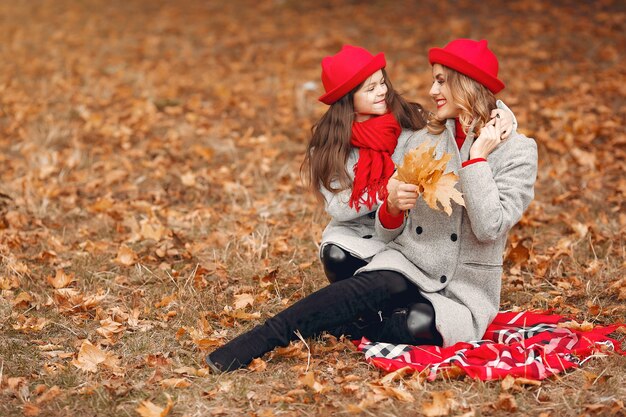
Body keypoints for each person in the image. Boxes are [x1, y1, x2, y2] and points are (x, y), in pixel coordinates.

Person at [205, 39, 535, 373]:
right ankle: (261, 339)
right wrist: (391, 207)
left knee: (416, 325)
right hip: (411, 262)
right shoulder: (427, 137)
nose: (431, 89)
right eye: (433, 79)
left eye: (441, 80)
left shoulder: (517, 152)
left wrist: (477, 158)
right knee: (374, 285)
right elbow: (388, 231)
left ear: (465, 83)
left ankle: (343, 322)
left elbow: (489, 226)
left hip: (464, 288)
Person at [303, 45, 515, 284]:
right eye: (371, 89)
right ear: (347, 101)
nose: (382, 91)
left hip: (404, 230)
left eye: (382, 83)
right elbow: (339, 207)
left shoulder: (408, 119)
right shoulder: (328, 148)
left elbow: (455, 119)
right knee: (337, 256)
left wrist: (502, 114)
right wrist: (388, 189)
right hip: (355, 233)